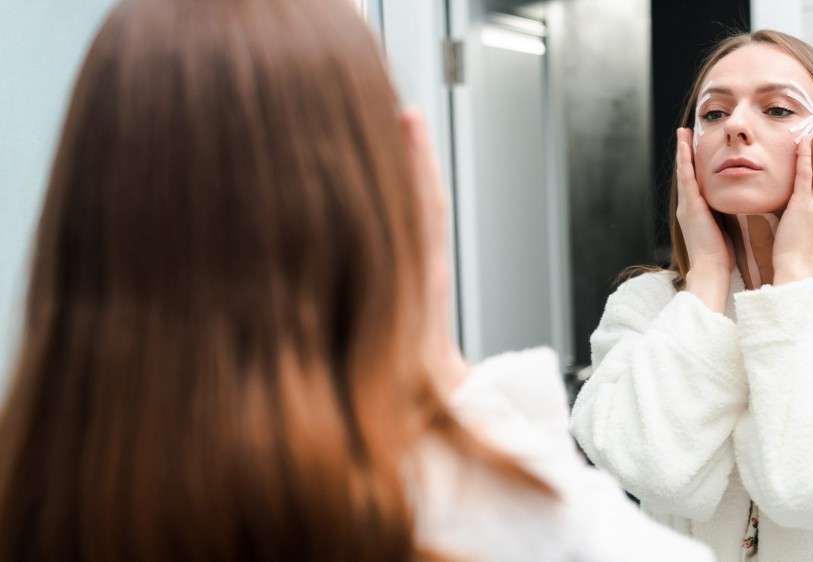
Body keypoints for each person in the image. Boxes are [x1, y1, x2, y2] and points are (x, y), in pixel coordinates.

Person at [0, 0, 718, 560]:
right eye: (715, 111)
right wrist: (443, 363)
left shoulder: (35, 509)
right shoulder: (461, 523)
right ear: (393, 190)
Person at [569, 29, 813, 562]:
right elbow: (655, 470)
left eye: (778, 109)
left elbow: (810, 484)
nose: (735, 126)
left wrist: (793, 276)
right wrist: (707, 278)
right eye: (713, 114)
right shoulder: (643, 306)